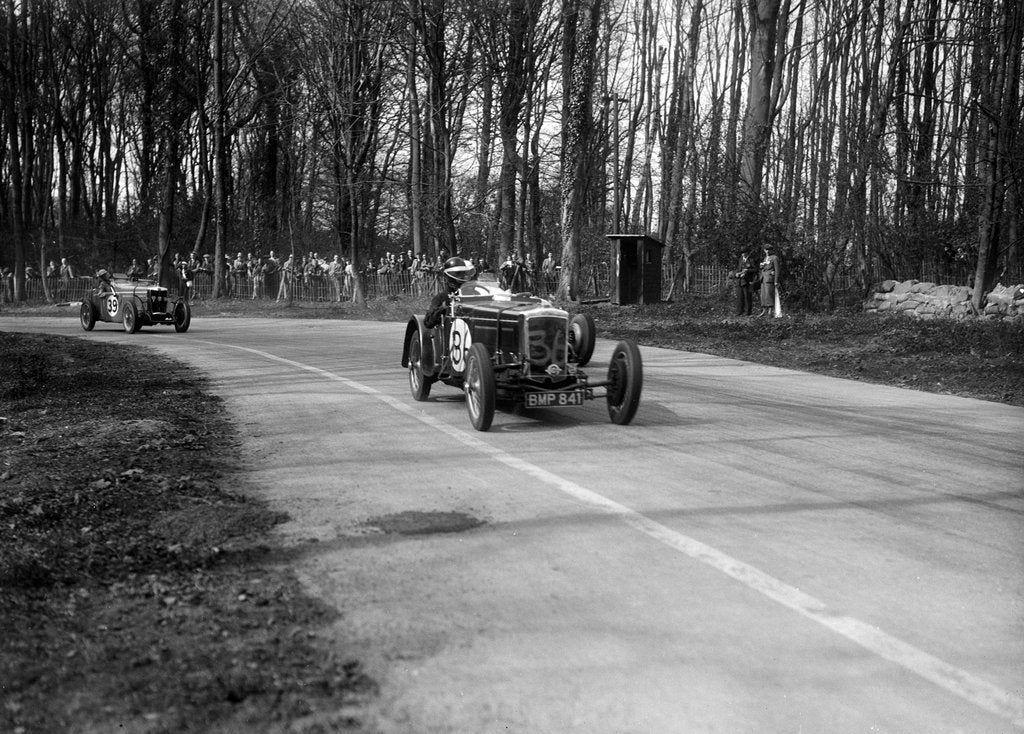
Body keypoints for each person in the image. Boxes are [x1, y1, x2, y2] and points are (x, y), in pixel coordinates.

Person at [424, 256, 476, 329]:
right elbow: (428, 322)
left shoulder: (474, 294)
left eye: (463, 273)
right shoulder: (441, 298)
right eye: (459, 274)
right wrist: (443, 308)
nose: (462, 277)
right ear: (450, 276)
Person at [757, 244, 782, 318]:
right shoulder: (765, 258)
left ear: (771, 250)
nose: (767, 251)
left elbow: (777, 270)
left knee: (769, 295)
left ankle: (770, 312)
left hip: (770, 279)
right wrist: (762, 267)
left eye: (768, 250)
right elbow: (765, 268)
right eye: (765, 250)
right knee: (763, 295)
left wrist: (776, 281)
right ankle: (764, 311)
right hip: (763, 279)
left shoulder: (774, 258)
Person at [734, 247, 759, 316]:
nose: (743, 254)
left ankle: (748, 312)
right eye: (742, 253)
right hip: (740, 281)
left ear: (747, 253)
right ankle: (739, 312)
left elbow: (756, 269)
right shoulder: (740, 259)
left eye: (744, 253)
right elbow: (738, 269)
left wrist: (747, 270)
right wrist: (737, 273)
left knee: (747, 297)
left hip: (748, 281)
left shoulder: (751, 260)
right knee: (740, 297)